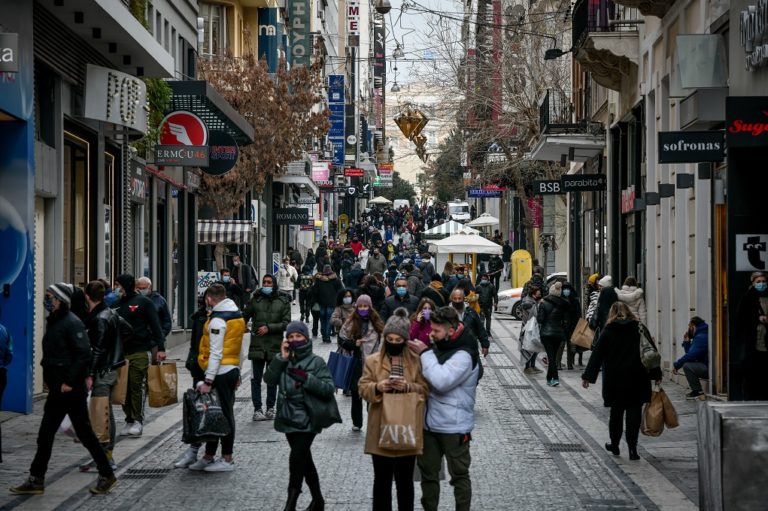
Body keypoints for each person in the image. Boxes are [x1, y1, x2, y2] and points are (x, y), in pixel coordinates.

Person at [10, 283, 117, 495]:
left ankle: (106, 474)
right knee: (50, 434)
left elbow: (83, 354)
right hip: (60, 388)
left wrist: (69, 381)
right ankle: (37, 478)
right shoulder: (57, 322)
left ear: (60, 300)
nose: (47, 299)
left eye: (50, 296)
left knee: (77, 434)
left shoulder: (71, 323)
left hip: (69, 389)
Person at [407, 307, 480, 511]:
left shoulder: (464, 353)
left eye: (436, 331)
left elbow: (441, 380)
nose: (431, 334)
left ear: (451, 329)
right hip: (429, 425)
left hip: (453, 427)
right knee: (428, 475)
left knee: (459, 475)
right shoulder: (441, 344)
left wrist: (425, 353)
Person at [359, 308, 429, 511]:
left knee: (405, 484)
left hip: (407, 428)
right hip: (380, 428)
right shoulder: (373, 361)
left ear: (405, 340)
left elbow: (425, 390)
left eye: (399, 340)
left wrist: (408, 387)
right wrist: (378, 387)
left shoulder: (416, 362)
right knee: (381, 483)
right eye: (390, 338)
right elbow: (363, 388)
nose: (394, 343)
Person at [264, 321, 336, 511]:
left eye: (298, 336)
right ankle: (318, 501)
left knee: (296, 457)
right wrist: (281, 357)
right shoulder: (284, 359)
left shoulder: (316, 362)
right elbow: (269, 380)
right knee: (305, 459)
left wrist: (306, 379)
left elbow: (328, 389)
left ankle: (291, 501)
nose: (295, 340)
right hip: (287, 415)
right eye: (291, 337)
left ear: (305, 337)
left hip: (308, 416)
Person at [582, 302, 662, 461]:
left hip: (615, 381)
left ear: (611, 314)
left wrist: (588, 377)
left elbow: (596, 355)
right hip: (637, 378)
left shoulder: (608, 331)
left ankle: (615, 445)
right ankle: (633, 449)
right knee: (634, 414)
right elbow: (650, 352)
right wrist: (656, 374)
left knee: (616, 414)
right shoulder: (639, 328)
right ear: (629, 312)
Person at [187, 283, 245, 472]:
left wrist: (208, 380)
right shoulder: (236, 315)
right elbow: (239, 347)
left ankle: (227, 459)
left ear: (209, 299)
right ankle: (209, 456)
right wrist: (238, 369)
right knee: (213, 414)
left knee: (223, 415)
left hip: (220, 373)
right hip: (230, 369)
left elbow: (216, 353)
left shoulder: (218, 320)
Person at [113, 273, 164, 437]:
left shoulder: (144, 303)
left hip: (140, 351)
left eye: (118, 284)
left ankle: (138, 420)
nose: (117, 288)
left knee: (137, 386)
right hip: (121, 353)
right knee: (124, 388)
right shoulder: (116, 304)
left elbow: (156, 326)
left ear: (125, 285)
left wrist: (160, 348)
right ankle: (129, 419)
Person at [80, 281, 124, 472]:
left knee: (102, 412)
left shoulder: (100, 318)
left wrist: (90, 372)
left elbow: (97, 349)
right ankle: (103, 454)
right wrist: (116, 351)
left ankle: (106, 456)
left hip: (102, 370)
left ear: (87, 296)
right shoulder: (111, 313)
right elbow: (128, 331)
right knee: (104, 411)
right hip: (109, 367)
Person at [243, 274, 291, 421]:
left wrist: (269, 328)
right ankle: (257, 409)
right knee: (255, 379)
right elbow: (245, 315)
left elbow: (286, 323)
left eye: (269, 282)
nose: (266, 285)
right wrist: (243, 325)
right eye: (264, 282)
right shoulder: (255, 299)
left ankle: (271, 408)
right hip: (257, 345)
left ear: (274, 284)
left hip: (274, 346)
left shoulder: (283, 301)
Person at [338, 295, 384, 431]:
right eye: (360, 306)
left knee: (372, 394)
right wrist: (354, 344)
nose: (363, 309)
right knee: (356, 395)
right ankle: (357, 422)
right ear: (356, 307)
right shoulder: (350, 322)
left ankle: (373, 419)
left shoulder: (377, 323)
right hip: (355, 362)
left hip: (373, 363)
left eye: (365, 306)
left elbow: (383, 341)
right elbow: (342, 340)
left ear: (370, 307)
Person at [175, 296, 210, 469]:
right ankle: (194, 451)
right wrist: (191, 361)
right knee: (198, 410)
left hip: (219, 371)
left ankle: (214, 455)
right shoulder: (199, 318)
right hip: (199, 369)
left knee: (215, 413)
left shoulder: (227, 318)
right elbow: (194, 345)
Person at [735, 271, 768, 400]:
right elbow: (741, 319)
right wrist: (757, 318)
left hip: (766, 339)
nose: (762, 284)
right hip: (754, 341)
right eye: (758, 282)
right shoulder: (748, 298)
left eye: (764, 281)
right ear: (753, 283)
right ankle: (753, 396)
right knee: (754, 370)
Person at [536, 282, 570, 386]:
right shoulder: (564, 304)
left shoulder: (543, 303)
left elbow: (540, 320)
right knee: (553, 356)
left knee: (551, 357)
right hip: (558, 334)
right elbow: (566, 321)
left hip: (546, 334)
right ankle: (549, 378)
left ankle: (554, 378)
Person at [673, 317, 709, 400]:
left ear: (693, 326)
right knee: (688, 364)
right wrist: (687, 342)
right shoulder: (703, 334)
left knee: (687, 366)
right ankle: (697, 391)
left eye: (689, 327)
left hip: (709, 369)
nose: (688, 330)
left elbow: (691, 356)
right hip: (708, 366)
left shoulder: (701, 337)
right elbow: (692, 353)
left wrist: (677, 365)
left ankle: (697, 391)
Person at [449, 289, 489, 357]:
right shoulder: (446, 313)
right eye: (455, 298)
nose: (457, 301)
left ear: (464, 299)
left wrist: (485, 345)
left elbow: (480, 329)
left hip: (470, 349)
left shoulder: (471, 312)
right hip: (452, 350)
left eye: (459, 298)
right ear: (451, 299)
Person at [312, 265, 343, 344]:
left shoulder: (319, 280)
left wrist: (316, 301)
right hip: (332, 304)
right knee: (329, 320)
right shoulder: (336, 280)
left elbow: (315, 291)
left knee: (322, 320)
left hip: (321, 303)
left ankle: (324, 336)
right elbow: (341, 291)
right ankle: (327, 337)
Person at [557, 282, 582, 370]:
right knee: (561, 345)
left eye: (568, 289)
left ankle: (570, 363)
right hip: (562, 325)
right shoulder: (559, 299)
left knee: (571, 345)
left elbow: (578, 314)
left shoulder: (574, 300)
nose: (566, 291)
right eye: (564, 289)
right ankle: (558, 363)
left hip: (572, 325)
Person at [520, 286, 543, 374]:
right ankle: (527, 367)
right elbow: (536, 314)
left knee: (535, 346)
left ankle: (532, 366)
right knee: (528, 347)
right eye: (538, 294)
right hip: (528, 328)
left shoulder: (534, 301)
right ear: (533, 294)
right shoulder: (528, 302)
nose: (540, 295)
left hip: (533, 327)